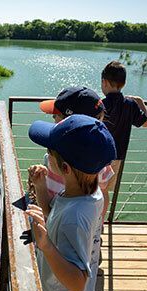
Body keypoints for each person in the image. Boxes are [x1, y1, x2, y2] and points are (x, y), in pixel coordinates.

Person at [26, 115, 116, 291]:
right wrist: (41, 189)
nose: (47, 156)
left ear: (65, 168)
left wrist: (46, 245)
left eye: (50, 152)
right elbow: (62, 224)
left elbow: (77, 284)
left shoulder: (75, 216)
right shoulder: (91, 194)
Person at [39, 86, 114, 223]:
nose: (53, 118)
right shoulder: (99, 159)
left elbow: (49, 209)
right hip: (81, 220)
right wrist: (99, 222)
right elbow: (103, 191)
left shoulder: (55, 157)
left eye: (56, 115)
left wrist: (39, 186)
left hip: (54, 219)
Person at [101, 61, 147, 191]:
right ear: (123, 84)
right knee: (105, 191)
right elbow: (146, 123)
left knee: (93, 188)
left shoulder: (101, 104)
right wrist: (140, 102)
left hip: (99, 154)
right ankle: (102, 212)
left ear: (104, 82)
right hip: (117, 157)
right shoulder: (130, 105)